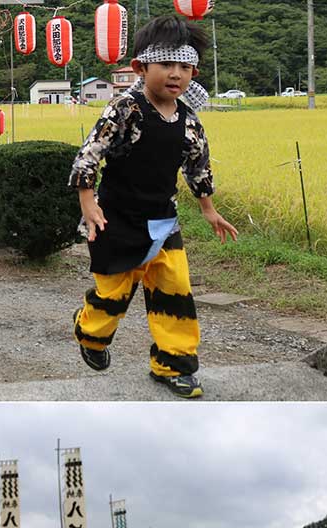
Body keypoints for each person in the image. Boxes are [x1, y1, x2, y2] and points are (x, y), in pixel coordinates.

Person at [70, 15, 237, 398]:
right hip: (115, 219)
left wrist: (209, 209)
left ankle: (173, 365)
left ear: (193, 71)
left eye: (184, 67)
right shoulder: (126, 109)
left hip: (163, 222)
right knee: (113, 294)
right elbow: (90, 153)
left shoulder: (189, 119)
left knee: (174, 291)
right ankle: (90, 334)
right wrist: (87, 202)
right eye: (166, 65)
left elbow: (198, 165)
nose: (175, 75)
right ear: (140, 67)